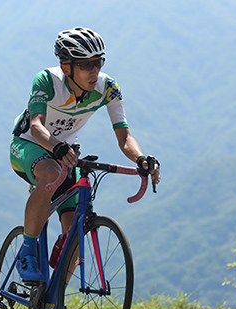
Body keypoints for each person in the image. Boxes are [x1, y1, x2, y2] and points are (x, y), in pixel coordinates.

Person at [10, 27, 160, 291]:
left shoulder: (108, 88)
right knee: (51, 173)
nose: (94, 70)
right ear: (66, 67)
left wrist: (141, 159)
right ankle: (28, 250)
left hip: (66, 153)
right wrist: (56, 147)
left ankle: (55, 302)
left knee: (75, 235)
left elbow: (124, 137)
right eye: (86, 64)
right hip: (29, 146)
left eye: (98, 62)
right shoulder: (47, 80)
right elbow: (36, 126)